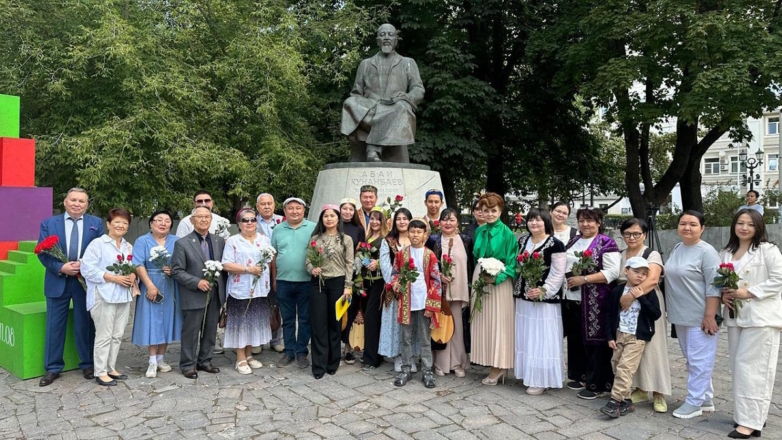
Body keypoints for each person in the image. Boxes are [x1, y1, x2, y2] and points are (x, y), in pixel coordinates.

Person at [719, 209, 782, 438]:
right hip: (736, 317)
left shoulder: (768, 250)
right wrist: (724, 295)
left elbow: (778, 279)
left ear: (758, 227)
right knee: (738, 367)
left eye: (750, 224)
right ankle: (746, 415)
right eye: (740, 223)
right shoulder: (726, 252)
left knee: (754, 369)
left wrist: (748, 292)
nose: (744, 227)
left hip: (762, 317)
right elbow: (723, 282)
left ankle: (751, 422)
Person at [37, 188, 104, 387]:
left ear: (87, 205)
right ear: (65, 202)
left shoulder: (96, 223)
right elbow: (42, 252)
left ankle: (87, 364)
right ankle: (52, 368)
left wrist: (84, 266)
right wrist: (61, 267)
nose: (77, 204)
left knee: (85, 324)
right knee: (54, 326)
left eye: (81, 201)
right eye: (73, 200)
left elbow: (100, 251)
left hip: (84, 282)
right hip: (58, 280)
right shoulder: (49, 223)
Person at [664, 210, 721, 419]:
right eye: (683, 223)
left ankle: (694, 402)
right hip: (680, 315)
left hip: (700, 316)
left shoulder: (707, 252)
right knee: (693, 359)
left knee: (699, 360)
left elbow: (715, 286)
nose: (687, 227)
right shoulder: (679, 247)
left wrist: (710, 315)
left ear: (702, 228)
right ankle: (705, 397)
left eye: (693, 224)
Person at [341, 23, 425, 163]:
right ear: (377, 40)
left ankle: (373, 148)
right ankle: (381, 132)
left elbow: (418, 89)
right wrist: (365, 106)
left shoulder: (407, 62)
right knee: (349, 103)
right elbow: (356, 93)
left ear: (396, 40)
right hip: (370, 107)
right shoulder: (365, 64)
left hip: (394, 106)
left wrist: (408, 97)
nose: (386, 38)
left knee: (402, 107)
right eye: (382, 35)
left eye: (390, 35)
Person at [563, 207, 621, 399]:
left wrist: (585, 280)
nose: (585, 224)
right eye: (581, 220)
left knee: (596, 342)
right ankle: (581, 375)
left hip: (597, 299)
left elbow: (612, 272)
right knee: (577, 338)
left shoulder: (607, 243)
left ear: (599, 223)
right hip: (573, 297)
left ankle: (598, 383)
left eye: (590, 220)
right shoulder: (574, 240)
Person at [80, 208, 139, 386]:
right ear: (108, 224)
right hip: (103, 295)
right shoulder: (98, 244)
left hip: (123, 295)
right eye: (117, 222)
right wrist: (113, 278)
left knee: (117, 334)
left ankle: (111, 367)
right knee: (104, 335)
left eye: (124, 223)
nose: (120, 225)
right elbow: (86, 269)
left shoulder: (128, 246)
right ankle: (100, 371)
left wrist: (132, 276)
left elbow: (133, 266)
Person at [618, 218, 671, 413]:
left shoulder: (651, 253)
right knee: (632, 345)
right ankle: (640, 388)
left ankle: (659, 392)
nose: (632, 237)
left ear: (644, 235)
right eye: (627, 234)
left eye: (636, 234)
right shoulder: (620, 254)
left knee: (654, 347)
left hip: (648, 302)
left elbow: (653, 279)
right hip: (627, 310)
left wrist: (631, 296)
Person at [513, 208, 566, 395]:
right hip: (523, 296)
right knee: (527, 336)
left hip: (544, 300)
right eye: (530, 220)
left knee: (542, 338)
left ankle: (541, 378)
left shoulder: (555, 244)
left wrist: (544, 290)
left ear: (546, 222)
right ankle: (528, 373)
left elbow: (558, 272)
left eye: (538, 220)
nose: (534, 223)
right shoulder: (522, 241)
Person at [600, 257, 661, 418]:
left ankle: (614, 401)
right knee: (616, 365)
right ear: (626, 271)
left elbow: (656, 314)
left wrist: (640, 297)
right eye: (636, 272)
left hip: (637, 336)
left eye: (644, 274)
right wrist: (609, 336)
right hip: (619, 334)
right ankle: (626, 400)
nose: (640, 276)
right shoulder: (618, 291)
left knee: (625, 368)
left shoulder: (648, 293)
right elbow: (609, 314)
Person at [171, 206, 226, 379]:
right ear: (192, 220)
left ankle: (205, 361)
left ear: (211, 220)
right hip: (193, 293)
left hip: (215, 292)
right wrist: (196, 282)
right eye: (199, 217)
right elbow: (177, 271)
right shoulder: (182, 243)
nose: (203, 220)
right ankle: (187, 365)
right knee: (191, 331)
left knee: (210, 329)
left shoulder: (219, 241)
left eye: (207, 217)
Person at [471, 192, 518, 385]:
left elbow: (513, 263)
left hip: (499, 281)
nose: (489, 214)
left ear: (500, 211)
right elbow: (476, 255)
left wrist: (497, 278)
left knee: (499, 323)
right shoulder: (479, 231)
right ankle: (489, 360)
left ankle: (500, 366)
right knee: (483, 321)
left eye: (493, 210)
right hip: (480, 277)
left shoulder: (507, 233)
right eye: (485, 210)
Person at [221, 208, 274, 375]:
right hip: (241, 288)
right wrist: (247, 269)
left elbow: (271, 259)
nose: (249, 223)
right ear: (239, 224)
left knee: (254, 322)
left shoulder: (264, 239)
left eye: (252, 219)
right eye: (245, 220)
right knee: (240, 323)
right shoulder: (233, 241)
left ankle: (249, 354)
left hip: (260, 288)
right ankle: (240, 357)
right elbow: (226, 265)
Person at [131, 210, 183, 378]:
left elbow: (182, 262)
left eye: (167, 220)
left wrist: (173, 269)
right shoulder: (142, 241)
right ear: (151, 223)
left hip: (170, 285)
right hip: (150, 282)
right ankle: (152, 361)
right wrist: (149, 286)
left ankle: (161, 359)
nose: (163, 223)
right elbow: (138, 264)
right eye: (158, 220)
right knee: (151, 321)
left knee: (168, 320)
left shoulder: (176, 241)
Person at [391, 219, 442, 388]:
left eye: (419, 232)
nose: (415, 235)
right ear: (408, 233)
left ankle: (427, 371)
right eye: (412, 231)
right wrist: (396, 283)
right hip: (406, 302)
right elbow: (395, 273)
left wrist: (431, 306)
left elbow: (436, 281)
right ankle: (406, 368)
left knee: (425, 338)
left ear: (425, 235)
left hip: (423, 302)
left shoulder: (430, 255)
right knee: (405, 337)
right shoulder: (402, 254)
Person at [306, 205, 354, 379]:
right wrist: (312, 269)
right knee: (318, 325)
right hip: (318, 284)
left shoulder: (346, 239)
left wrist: (348, 286)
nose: (329, 219)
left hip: (339, 283)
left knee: (335, 324)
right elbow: (307, 261)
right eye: (325, 216)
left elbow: (350, 264)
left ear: (337, 219)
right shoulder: (315, 238)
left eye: (332, 216)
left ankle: (332, 362)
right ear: (322, 219)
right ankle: (318, 365)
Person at [271, 197, 317, 368]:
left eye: (298, 208)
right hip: (283, 281)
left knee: (305, 319)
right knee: (288, 319)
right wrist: (275, 278)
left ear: (304, 210)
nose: (294, 211)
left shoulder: (312, 228)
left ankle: (302, 352)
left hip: (306, 281)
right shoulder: (277, 229)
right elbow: (274, 256)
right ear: (285, 211)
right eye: (291, 208)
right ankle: (289, 351)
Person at [428, 207, 473, 377]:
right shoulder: (433, 240)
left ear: (457, 223)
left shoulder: (466, 240)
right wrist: (438, 274)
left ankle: (457, 363)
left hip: (459, 290)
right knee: (440, 326)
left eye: (452, 219)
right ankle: (440, 363)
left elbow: (471, 263)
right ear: (439, 222)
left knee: (458, 327)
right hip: (440, 291)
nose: (448, 223)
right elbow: (427, 264)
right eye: (445, 219)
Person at [379, 208, 419, 371]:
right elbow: (384, 264)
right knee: (396, 323)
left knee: (413, 323)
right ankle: (397, 356)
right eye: (399, 219)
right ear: (394, 222)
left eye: (405, 218)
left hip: (414, 290)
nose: (402, 222)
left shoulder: (416, 239)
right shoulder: (388, 241)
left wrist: (414, 283)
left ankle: (410, 356)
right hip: (394, 290)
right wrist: (394, 283)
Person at [255, 193, 284, 355]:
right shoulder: (251, 220)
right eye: (263, 204)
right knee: (259, 305)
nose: (266, 206)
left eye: (269, 203)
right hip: (258, 269)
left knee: (276, 304)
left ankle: (275, 340)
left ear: (274, 205)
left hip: (279, 267)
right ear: (257, 206)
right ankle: (257, 340)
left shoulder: (283, 220)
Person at [359, 207, 388, 371]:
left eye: (378, 219)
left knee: (372, 317)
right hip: (366, 282)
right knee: (369, 318)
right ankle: (372, 353)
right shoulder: (368, 237)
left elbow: (391, 258)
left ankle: (371, 359)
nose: (375, 222)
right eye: (373, 218)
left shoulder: (386, 238)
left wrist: (378, 263)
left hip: (379, 283)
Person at [339, 197, 366, 364]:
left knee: (350, 310)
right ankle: (335, 346)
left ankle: (348, 347)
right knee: (337, 312)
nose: (347, 212)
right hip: (334, 275)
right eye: (344, 208)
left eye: (351, 209)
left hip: (353, 276)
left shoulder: (358, 229)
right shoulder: (334, 225)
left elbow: (362, 251)